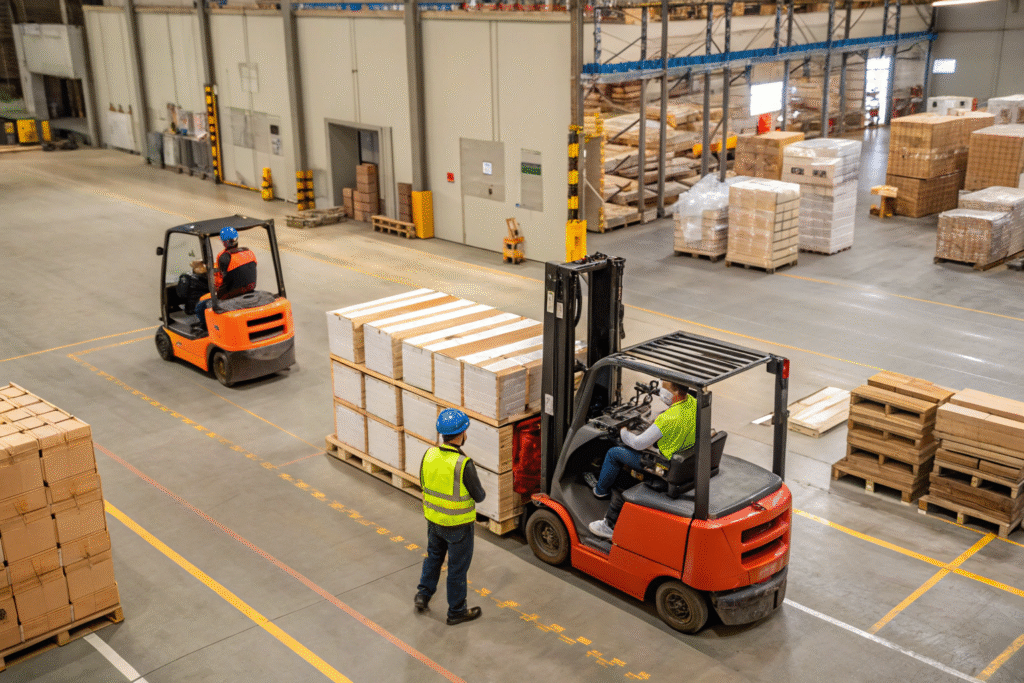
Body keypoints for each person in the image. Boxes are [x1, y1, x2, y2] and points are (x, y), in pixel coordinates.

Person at [586, 380, 696, 540]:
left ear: (676, 392)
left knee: (614, 452)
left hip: (662, 465)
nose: (661, 392)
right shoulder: (693, 402)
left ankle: (601, 494)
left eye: (664, 389)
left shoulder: (668, 418)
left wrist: (623, 431)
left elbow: (638, 443)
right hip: (681, 457)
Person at [415, 408, 487, 625]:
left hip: (434, 521)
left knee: (433, 557)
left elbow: (423, 482)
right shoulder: (463, 464)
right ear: (462, 433)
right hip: (458, 526)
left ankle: (423, 594)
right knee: (457, 569)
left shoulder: (429, 455)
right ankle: (456, 611)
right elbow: (479, 496)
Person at [194, 227, 258, 333]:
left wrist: (210, 276)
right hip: (249, 289)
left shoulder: (224, 257)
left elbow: (220, 282)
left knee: (200, 306)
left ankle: (206, 329)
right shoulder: (249, 252)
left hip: (231, 294)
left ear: (224, 242)